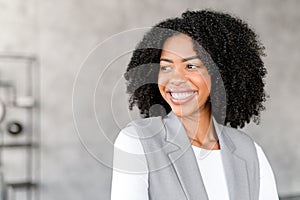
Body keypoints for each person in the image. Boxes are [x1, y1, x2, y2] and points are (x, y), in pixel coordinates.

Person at [111, 10, 279, 200]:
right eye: (166, 67)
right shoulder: (137, 141)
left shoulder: (249, 151)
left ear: (220, 74)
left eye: (191, 66)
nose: (175, 79)